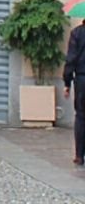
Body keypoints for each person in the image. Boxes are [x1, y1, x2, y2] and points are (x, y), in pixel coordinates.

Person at [62, 13, 85, 164]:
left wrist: (67, 82)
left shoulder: (77, 33)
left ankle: (79, 155)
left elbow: (71, 59)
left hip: (82, 80)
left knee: (81, 116)